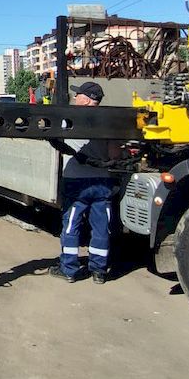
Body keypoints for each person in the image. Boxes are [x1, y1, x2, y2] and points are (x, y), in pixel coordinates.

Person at [49, 81, 121, 284]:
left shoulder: (69, 119)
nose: (74, 98)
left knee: (72, 224)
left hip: (76, 181)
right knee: (101, 226)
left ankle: (69, 269)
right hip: (102, 181)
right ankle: (99, 271)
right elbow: (114, 153)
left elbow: (53, 137)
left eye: (78, 95)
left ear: (87, 100)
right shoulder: (109, 121)